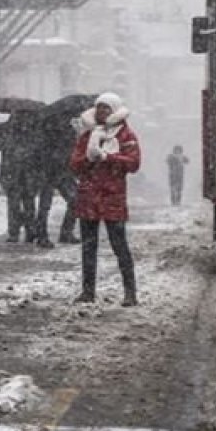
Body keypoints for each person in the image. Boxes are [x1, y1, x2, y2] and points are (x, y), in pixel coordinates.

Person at [69, 92, 142, 306]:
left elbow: (134, 163)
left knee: (120, 246)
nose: (101, 112)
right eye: (99, 107)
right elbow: (74, 164)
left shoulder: (126, 136)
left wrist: (109, 157)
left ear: (115, 111)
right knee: (88, 248)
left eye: (106, 108)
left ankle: (130, 293)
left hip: (113, 198)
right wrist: (88, 159)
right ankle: (87, 291)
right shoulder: (86, 135)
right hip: (89, 197)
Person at [0, 110, 40, 243]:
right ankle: (18, 231)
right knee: (17, 202)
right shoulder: (5, 129)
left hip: (23, 171)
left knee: (25, 202)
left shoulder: (30, 129)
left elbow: (38, 149)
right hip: (15, 171)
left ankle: (25, 231)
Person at [33, 112, 82, 248]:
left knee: (74, 200)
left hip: (61, 171)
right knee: (46, 205)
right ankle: (43, 235)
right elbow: (39, 151)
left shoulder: (68, 130)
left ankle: (63, 233)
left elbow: (73, 150)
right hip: (50, 171)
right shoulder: (47, 130)